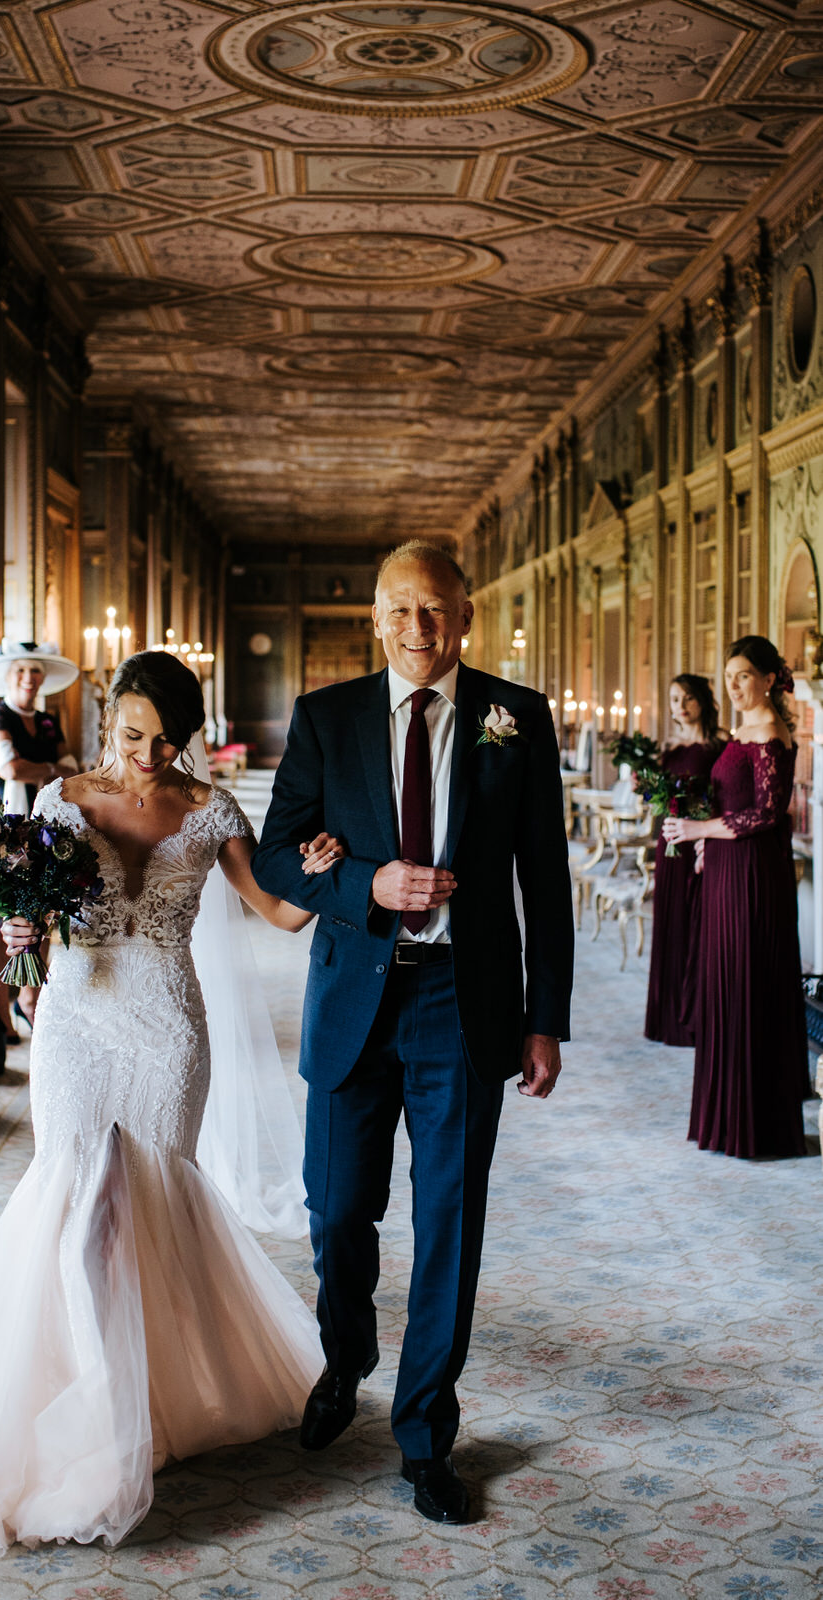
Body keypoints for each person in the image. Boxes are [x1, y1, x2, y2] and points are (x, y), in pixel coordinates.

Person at [0, 651, 338, 1554]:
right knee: (80, 1204)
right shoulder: (60, 802)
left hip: (168, 1025)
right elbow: (33, 923)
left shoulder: (208, 809)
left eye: (169, 740)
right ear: (106, 721)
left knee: (154, 1202)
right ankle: (101, 1407)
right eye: (134, 735)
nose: (150, 755)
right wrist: (17, 934)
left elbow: (276, 911)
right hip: (78, 1020)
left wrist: (321, 872)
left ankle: (150, 1396)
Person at [251, 540, 574, 1525]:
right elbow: (274, 858)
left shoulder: (514, 717)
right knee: (339, 1209)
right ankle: (345, 1358)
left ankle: (427, 1433)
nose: (418, 628)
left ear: (466, 614)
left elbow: (546, 879)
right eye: (401, 610)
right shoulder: (326, 716)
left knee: (451, 1224)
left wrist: (545, 1019)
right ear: (377, 620)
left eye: (435, 610)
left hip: (463, 1004)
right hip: (354, 994)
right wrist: (364, 884)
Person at [664, 636, 810, 1159]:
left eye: (743, 676)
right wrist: (707, 845)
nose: (733, 686)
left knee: (746, 984)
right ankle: (726, 1120)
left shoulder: (770, 733)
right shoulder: (745, 730)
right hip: (727, 868)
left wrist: (700, 829)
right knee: (725, 984)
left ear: (770, 679)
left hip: (753, 876)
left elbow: (767, 814)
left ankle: (755, 1125)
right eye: (728, 677)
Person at [0, 641, 80, 1038]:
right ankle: (2, 1005)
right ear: (8, 675)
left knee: (44, 910)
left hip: (44, 826)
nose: (28, 679)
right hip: (1, 823)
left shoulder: (49, 722)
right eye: (21, 670)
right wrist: (49, 768)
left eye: (35, 671)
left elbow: (72, 768)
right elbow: (11, 768)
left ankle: (30, 998)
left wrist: (47, 770)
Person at [644, 675, 726, 1047]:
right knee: (672, 923)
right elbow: (659, 801)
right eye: (675, 698)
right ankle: (668, 1019)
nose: (680, 706)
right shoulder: (668, 746)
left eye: (688, 698)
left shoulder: (722, 744)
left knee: (700, 927)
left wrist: (707, 836)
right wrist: (643, 786)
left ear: (702, 701)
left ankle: (698, 1016)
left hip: (705, 844)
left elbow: (726, 798)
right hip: (670, 845)